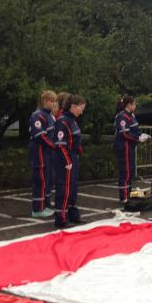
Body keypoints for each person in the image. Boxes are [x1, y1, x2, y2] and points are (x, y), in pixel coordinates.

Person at [54, 94, 86, 228]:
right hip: (65, 158)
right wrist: (67, 161)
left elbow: (75, 138)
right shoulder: (62, 121)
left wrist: (78, 150)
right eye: (81, 108)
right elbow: (60, 144)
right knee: (64, 188)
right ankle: (61, 217)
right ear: (73, 106)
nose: (82, 111)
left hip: (73, 157)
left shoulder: (72, 121)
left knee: (72, 188)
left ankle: (73, 213)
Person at [114, 96, 150, 209]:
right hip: (124, 148)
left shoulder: (131, 116)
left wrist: (141, 135)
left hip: (130, 147)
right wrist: (137, 138)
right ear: (128, 104)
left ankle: (127, 194)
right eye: (134, 103)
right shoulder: (122, 116)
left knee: (129, 172)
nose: (135, 106)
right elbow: (124, 134)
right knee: (125, 172)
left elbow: (135, 130)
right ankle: (123, 197)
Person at [28, 90, 57, 218]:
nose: (54, 104)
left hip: (48, 154)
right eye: (52, 101)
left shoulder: (50, 116)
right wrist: (54, 145)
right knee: (40, 180)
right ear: (45, 101)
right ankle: (37, 209)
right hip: (39, 153)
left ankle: (45, 205)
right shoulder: (37, 116)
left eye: (55, 101)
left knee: (47, 179)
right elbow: (40, 136)